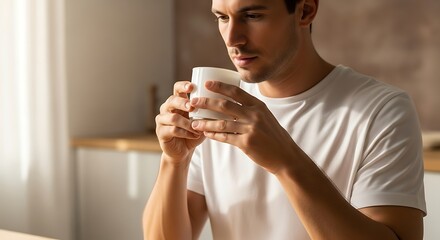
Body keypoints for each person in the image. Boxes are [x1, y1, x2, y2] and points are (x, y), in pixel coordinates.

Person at [143, 0, 426, 239]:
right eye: (222, 17)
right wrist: (174, 161)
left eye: (252, 16)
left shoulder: (382, 110)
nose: (232, 39)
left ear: (305, 11)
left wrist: (285, 162)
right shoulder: (218, 108)